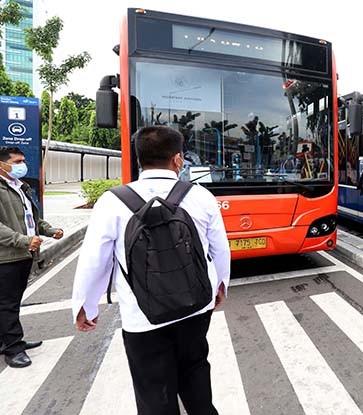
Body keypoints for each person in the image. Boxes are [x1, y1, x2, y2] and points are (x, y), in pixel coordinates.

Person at [72, 126, 231, 414]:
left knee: (152, 388)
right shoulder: (201, 196)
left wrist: (86, 306)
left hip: (142, 316)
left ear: (139, 158)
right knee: (196, 371)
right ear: (178, 159)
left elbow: (95, 259)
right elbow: (219, 250)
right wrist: (220, 287)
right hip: (195, 307)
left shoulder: (113, 200)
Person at [0, 146, 63, 368]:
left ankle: (6, 340)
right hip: (6, 257)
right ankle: (13, 348)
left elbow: (30, 218)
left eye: (22, 161)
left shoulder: (20, 187)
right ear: (2, 165)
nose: (22, 165)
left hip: (24, 254)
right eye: (16, 162)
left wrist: (49, 230)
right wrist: (23, 240)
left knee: (12, 301)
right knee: (7, 304)